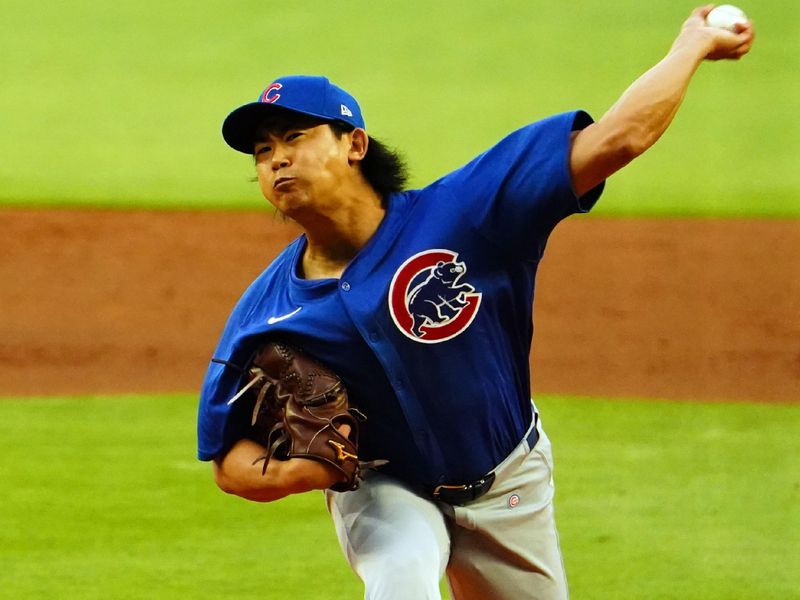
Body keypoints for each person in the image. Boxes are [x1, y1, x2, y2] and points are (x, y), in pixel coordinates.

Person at [197, 7, 754, 599]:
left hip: (510, 480)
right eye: (261, 150)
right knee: (400, 582)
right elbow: (226, 458)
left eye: (295, 137)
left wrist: (691, 46)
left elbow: (619, 138)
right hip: (388, 490)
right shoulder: (268, 311)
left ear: (355, 143)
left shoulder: (465, 213)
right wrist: (293, 474)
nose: (276, 158)